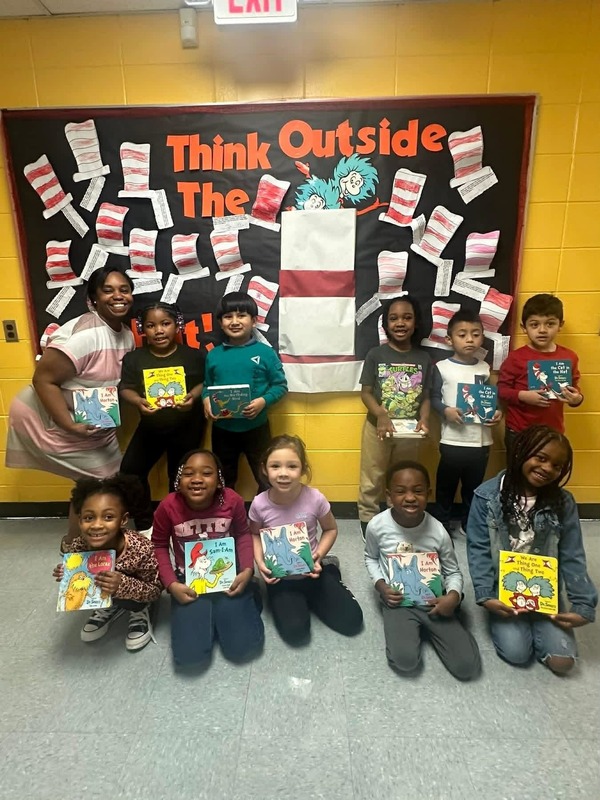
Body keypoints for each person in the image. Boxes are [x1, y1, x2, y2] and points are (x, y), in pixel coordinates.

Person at [6, 266, 135, 542]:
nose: (118, 296)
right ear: (93, 299)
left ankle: (79, 542)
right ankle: (77, 544)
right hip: (51, 418)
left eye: (124, 290)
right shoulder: (85, 335)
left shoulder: (125, 334)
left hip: (93, 421)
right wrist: (69, 424)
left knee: (99, 482)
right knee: (100, 482)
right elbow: (43, 380)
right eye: (108, 290)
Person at [466, 425, 597, 675]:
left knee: (562, 662)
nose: (547, 468)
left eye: (557, 466)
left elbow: (572, 555)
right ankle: (513, 621)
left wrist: (583, 604)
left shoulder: (564, 502)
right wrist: (487, 596)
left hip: (543, 589)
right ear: (520, 452)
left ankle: (540, 622)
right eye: (541, 458)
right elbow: (478, 549)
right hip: (503, 588)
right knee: (516, 653)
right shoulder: (486, 497)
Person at [364, 460, 481, 680]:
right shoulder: (377, 526)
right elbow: (371, 558)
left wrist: (453, 596)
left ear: (428, 494)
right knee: (405, 661)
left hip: (434, 601)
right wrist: (381, 586)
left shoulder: (438, 531)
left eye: (418, 491)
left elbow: (453, 572)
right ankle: (411, 631)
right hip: (398, 601)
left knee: (467, 667)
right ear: (389, 496)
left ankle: (447, 631)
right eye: (401, 491)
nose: (410, 497)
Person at [151, 449, 264, 668]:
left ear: (219, 480)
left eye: (206, 473)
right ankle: (212, 617)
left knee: (244, 648)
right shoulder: (168, 506)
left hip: (228, 576)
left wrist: (247, 570)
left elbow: (243, 534)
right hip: (188, 581)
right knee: (190, 658)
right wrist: (171, 584)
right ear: (178, 480)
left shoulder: (232, 500)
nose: (196, 479)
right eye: (188, 473)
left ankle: (249, 592)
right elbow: (159, 545)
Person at [249, 435, 363, 646]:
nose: (283, 473)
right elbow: (254, 534)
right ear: (265, 469)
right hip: (281, 578)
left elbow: (330, 529)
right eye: (275, 466)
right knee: (296, 634)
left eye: (292, 466)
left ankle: (330, 568)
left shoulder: (315, 498)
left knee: (352, 622)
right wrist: (260, 562)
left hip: (313, 571)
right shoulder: (259, 504)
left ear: (303, 469)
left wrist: (319, 555)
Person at [119, 302, 206, 533]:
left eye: (165, 323)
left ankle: (175, 522)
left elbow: (205, 383)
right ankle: (145, 524)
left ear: (177, 326)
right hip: (151, 425)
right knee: (130, 470)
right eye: (151, 325)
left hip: (187, 425)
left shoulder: (193, 356)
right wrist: (138, 401)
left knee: (179, 475)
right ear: (142, 329)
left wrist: (192, 397)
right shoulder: (134, 359)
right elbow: (125, 388)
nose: (158, 331)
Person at [52, 473, 161, 651]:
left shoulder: (141, 548)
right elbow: (77, 576)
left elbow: (155, 590)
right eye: (89, 518)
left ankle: (140, 611)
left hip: (138, 592)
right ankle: (106, 606)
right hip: (102, 588)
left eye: (108, 517)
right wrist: (67, 574)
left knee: (134, 598)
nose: (97, 525)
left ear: (123, 520)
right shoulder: (80, 544)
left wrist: (123, 584)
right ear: (79, 520)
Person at [357, 294, 432, 539]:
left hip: (409, 432)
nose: (400, 323)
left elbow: (426, 396)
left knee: (404, 477)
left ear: (416, 323)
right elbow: (366, 393)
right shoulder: (376, 355)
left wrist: (425, 419)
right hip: (377, 428)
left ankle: (397, 519)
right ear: (386, 324)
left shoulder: (423, 358)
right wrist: (380, 414)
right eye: (394, 318)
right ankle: (368, 521)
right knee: (372, 476)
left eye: (407, 317)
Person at [201, 291, 287, 492]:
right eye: (228, 316)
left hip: (256, 428)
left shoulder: (265, 353)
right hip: (223, 429)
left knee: (265, 477)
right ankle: (228, 511)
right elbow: (207, 385)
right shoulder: (214, 355)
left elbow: (280, 386)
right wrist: (206, 400)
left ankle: (265, 510)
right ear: (220, 323)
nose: (234, 321)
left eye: (241, 315)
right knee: (224, 479)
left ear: (254, 321)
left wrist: (263, 401)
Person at [431, 309, 502, 536]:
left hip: (480, 441)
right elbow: (433, 398)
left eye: (476, 334)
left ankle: (468, 523)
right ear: (449, 339)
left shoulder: (484, 368)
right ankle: (442, 524)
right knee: (446, 486)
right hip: (452, 439)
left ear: (482, 338)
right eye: (462, 335)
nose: (469, 339)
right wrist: (445, 411)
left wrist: (497, 412)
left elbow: (491, 399)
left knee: (474, 487)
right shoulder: (442, 367)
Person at [497, 293, 583, 457]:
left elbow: (575, 389)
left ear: (560, 325)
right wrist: (523, 396)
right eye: (534, 325)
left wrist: (576, 399)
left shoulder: (569, 357)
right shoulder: (516, 358)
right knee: (517, 471)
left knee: (546, 470)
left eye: (550, 324)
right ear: (524, 327)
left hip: (552, 431)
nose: (542, 330)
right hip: (520, 430)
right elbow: (501, 390)